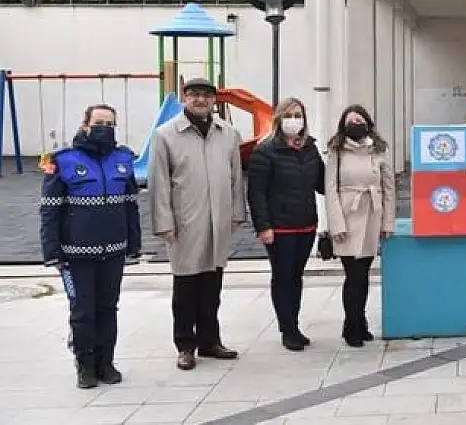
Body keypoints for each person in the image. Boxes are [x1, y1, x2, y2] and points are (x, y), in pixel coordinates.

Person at [39, 104, 142, 388]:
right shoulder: (63, 161)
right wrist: (52, 252)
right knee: (83, 309)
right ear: (85, 124)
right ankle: (85, 365)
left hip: (114, 251)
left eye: (110, 123)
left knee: (109, 307)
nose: (104, 128)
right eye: (99, 122)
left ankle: (106, 362)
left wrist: (134, 243)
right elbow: (49, 210)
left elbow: (130, 206)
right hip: (75, 255)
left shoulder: (123, 159)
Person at [150, 78, 247, 371]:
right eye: (194, 95)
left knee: (212, 285)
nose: (200, 100)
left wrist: (236, 212)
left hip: (218, 221)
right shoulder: (166, 135)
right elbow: (159, 184)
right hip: (184, 222)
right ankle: (185, 345)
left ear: (214, 100)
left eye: (206, 95)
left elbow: (235, 176)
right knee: (186, 287)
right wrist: (164, 222)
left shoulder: (228, 133)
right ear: (184, 98)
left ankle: (210, 341)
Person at [247, 97, 326, 351]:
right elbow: (256, 192)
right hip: (280, 228)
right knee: (283, 277)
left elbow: (323, 184)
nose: (294, 120)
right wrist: (263, 226)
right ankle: (287, 329)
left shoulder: (310, 148)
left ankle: (294, 323)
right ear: (279, 119)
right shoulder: (265, 151)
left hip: (305, 224)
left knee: (296, 276)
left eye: (298, 115)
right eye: (289, 115)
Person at [324, 105, 396, 347]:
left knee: (363, 275)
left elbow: (389, 188)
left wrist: (388, 222)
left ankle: (359, 321)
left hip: (372, 215)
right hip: (347, 217)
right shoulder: (336, 150)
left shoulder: (378, 149)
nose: (355, 123)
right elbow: (330, 188)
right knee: (353, 275)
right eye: (350, 120)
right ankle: (352, 324)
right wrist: (336, 224)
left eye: (359, 119)